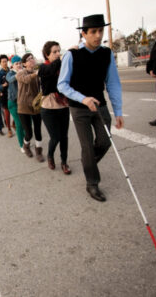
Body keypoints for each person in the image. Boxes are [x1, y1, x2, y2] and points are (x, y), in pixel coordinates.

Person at [57, 14, 124, 202]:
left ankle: (88, 164)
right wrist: (83, 98)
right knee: (87, 146)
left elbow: (113, 83)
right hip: (79, 109)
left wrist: (118, 111)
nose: (97, 35)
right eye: (93, 32)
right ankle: (92, 183)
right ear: (84, 34)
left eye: (100, 31)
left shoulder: (106, 54)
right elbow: (62, 85)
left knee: (104, 142)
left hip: (100, 106)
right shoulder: (72, 55)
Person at [39, 41, 71, 175]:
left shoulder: (63, 66)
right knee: (55, 137)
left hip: (63, 105)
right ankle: (50, 155)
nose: (58, 54)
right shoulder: (43, 67)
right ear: (47, 55)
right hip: (48, 107)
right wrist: (63, 58)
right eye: (54, 52)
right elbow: (52, 70)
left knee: (64, 137)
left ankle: (64, 162)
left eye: (59, 51)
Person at [16, 53, 44, 162]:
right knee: (28, 132)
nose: (31, 60)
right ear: (24, 63)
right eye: (28, 59)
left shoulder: (38, 72)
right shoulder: (20, 73)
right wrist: (36, 74)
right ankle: (26, 145)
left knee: (38, 130)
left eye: (32, 58)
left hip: (36, 106)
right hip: (23, 107)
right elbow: (26, 79)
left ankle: (39, 151)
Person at [6, 55, 26, 153]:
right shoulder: (9, 74)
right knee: (19, 124)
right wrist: (19, 73)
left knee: (28, 123)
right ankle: (22, 144)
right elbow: (10, 80)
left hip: (25, 102)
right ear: (12, 65)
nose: (18, 65)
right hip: (13, 102)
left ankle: (27, 140)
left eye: (19, 63)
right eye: (16, 64)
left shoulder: (24, 71)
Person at [0, 54, 13, 137]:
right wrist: (2, 86)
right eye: (3, 62)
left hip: (13, 93)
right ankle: (9, 129)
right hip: (5, 95)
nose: (5, 63)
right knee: (7, 113)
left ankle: (14, 124)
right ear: (0, 63)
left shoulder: (11, 70)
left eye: (6, 61)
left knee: (17, 111)